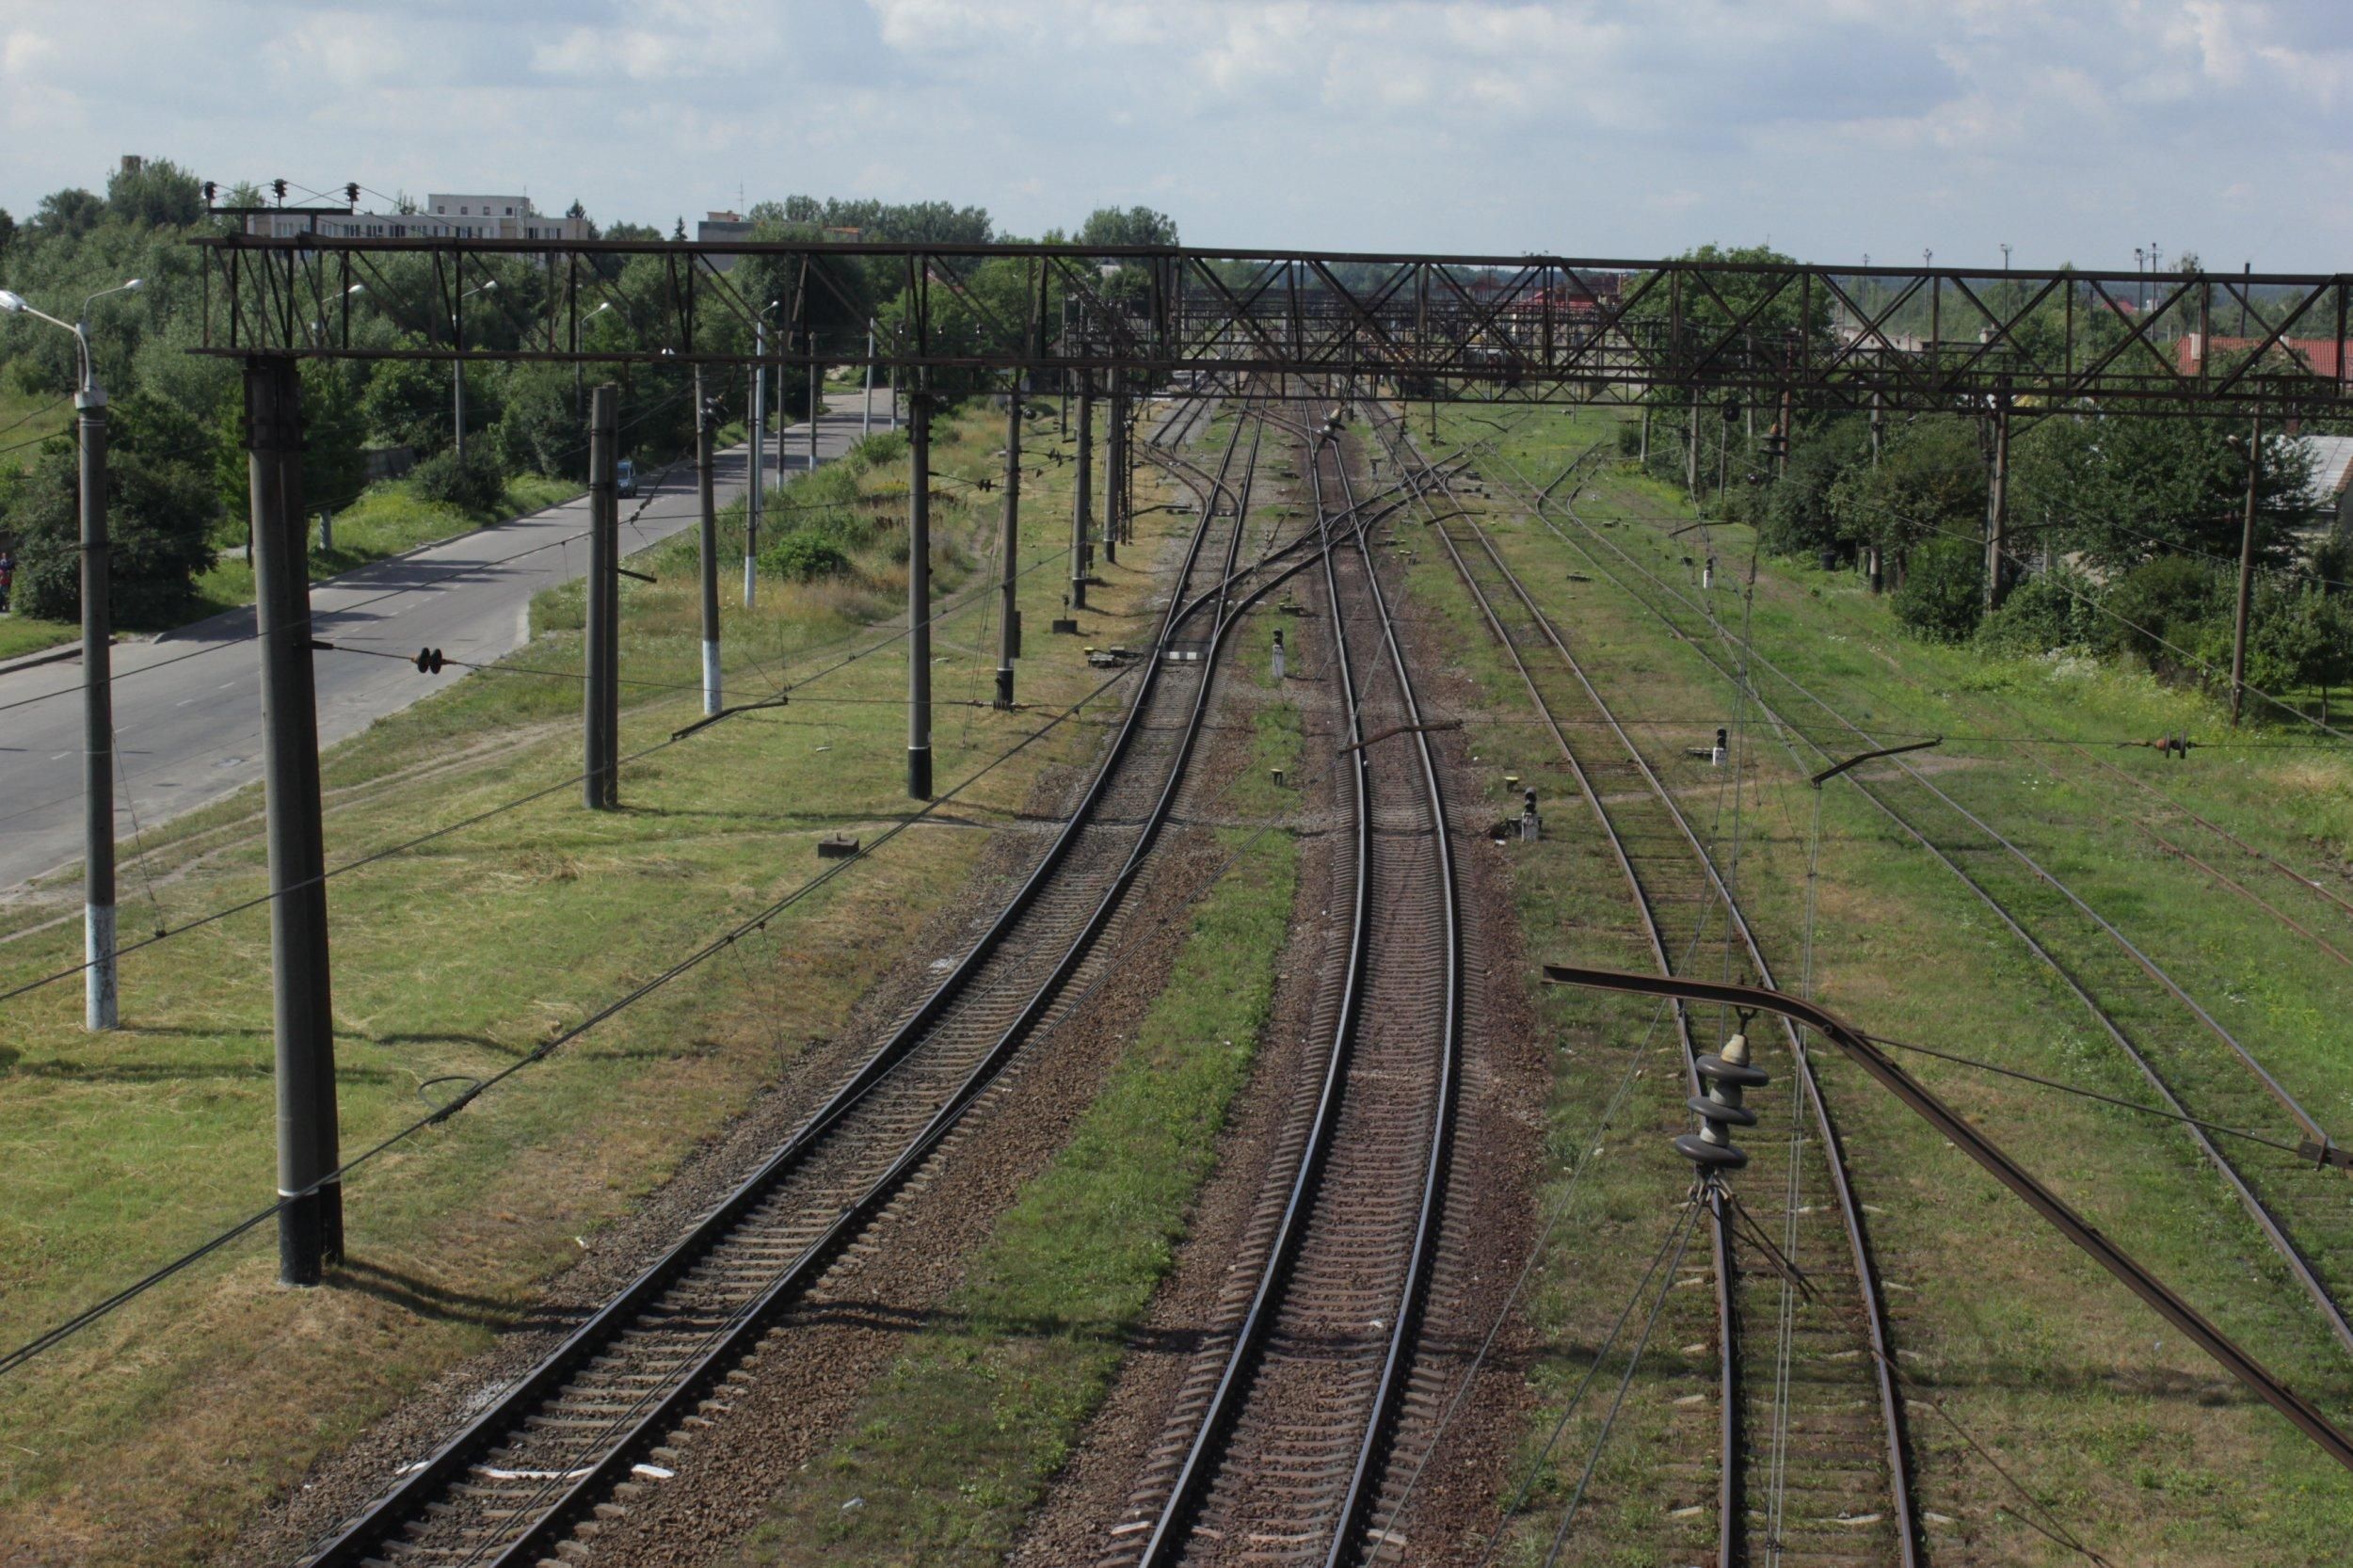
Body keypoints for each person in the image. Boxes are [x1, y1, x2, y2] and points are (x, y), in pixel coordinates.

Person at [0, 549, 14, 615]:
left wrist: (6, 570)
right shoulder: (1, 562)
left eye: (5, 555)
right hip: (2, 580)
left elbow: (11, 568)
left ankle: (7, 607)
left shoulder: (10, 562)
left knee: (6, 594)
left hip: (7, 581)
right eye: (3, 555)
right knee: (2, 594)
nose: (4, 556)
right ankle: (2, 607)